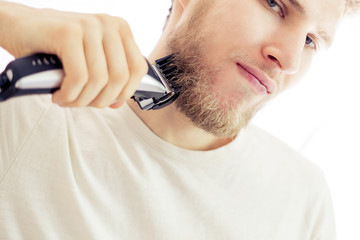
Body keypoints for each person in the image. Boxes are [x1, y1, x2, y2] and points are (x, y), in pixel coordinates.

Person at [0, 0, 358, 239]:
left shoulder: (302, 200)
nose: (290, 59)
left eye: (311, 40)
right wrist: (8, 20)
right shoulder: (22, 118)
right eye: (274, 3)